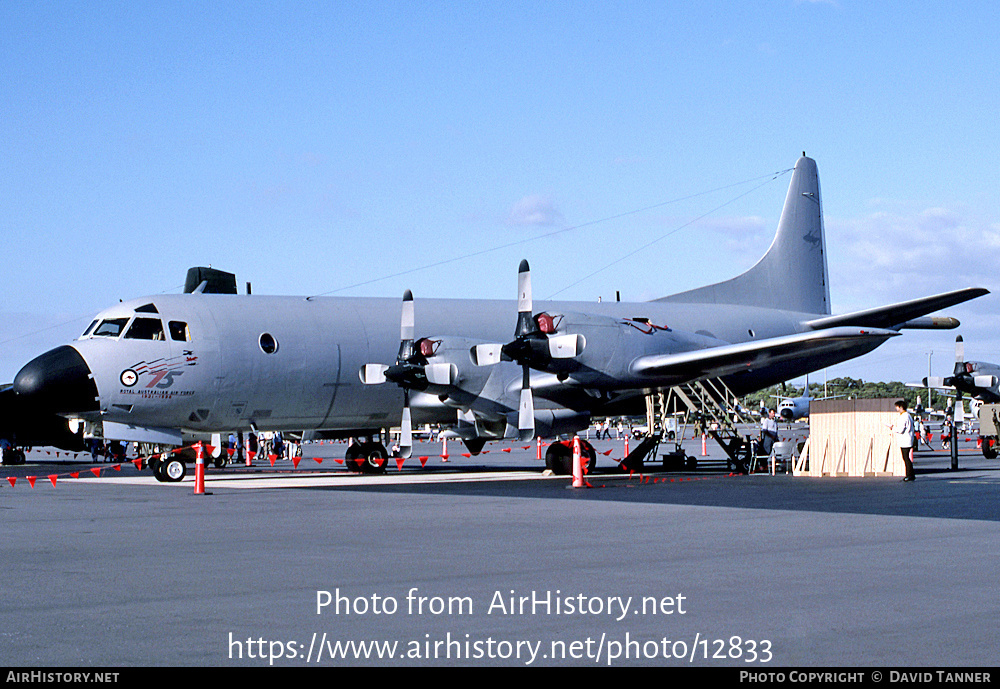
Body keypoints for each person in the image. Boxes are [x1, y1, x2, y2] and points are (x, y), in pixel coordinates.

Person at [891, 400, 916, 481]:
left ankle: (909, 475)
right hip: (908, 439)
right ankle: (911, 474)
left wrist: (893, 428)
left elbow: (901, 430)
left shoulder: (904, 417)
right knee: (906, 458)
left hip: (905, 440)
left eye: (897, 407)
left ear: (900, 407)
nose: (896, 408)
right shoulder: (908, 415)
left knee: (906, 458)